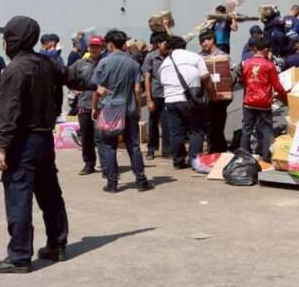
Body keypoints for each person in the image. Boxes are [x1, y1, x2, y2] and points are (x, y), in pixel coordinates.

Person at [0, 16, 72, 273]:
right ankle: (57, 245)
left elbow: (10, 111)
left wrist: (1, 146)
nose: (4, 43)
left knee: (19, 196)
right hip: (44, 138)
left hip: (22, 142)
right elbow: (71, 77)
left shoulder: (15, 69)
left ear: (14, 39)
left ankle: (19, 257)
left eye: (6, 38)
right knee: (49, 192)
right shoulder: (46, 63)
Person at [91, 30, 154, 194]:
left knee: (109, 146)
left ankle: (112, 183)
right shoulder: (133, 63)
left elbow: (97, 88)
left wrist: (94, 108)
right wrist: (138, 109)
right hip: (129, 109)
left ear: (110, 44)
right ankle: (141, 180)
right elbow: (138, 89)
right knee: (134, 146)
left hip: (110, 110)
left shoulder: (104, 62)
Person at [160, 36, 217, 170]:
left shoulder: (165, 62)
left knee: (176, 132)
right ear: (184, 46)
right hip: (191, 100)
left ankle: (178, 161)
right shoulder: (194, 57)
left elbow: (163, 82)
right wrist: (212, 94)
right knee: (196, 130)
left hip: (170, 101)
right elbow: (205, 77)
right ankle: (194, 161)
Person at [240, 38, 289, 162]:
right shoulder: (269, 65)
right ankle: (266, 156)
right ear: (266, 49)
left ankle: (243, 155)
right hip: (263, 102)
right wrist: (286, 97)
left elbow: (244, 81)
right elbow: (277, 85)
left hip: (249, 101)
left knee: (246, 129)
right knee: (266, 129)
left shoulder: (246, 64)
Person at [69, 36, 104, 175]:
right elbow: (68, 76)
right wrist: (73, 88)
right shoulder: (80, 63)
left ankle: (106, 164)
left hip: (103, 106)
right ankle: (89, 164)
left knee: (103, 137)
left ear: (102, 48)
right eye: (92, 46)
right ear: (88, 47)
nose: (94, 49)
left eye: (97, 46)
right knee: (86, 137)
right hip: (84, 104)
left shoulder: (106, 63)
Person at [199, 30, 230, 153]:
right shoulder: (199, 57)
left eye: (205, 41)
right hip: (206, 97)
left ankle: (220, 148)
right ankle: (212, 148)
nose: (203, 44)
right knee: (208, 124)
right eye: (201, 42)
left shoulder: (223, 56)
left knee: (220, 122)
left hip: (221, 97)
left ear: (212, 40)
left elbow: (228, 75)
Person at [141, 32, 171, 160]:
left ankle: (167, 150)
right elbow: (147, 79)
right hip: (156, 94)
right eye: (165, 43)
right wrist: (149, 99)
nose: (167, 46)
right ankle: (151, 149)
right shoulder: (150, 57)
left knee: (167, 123)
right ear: (158, 44)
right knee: (153, 122)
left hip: (169, 94)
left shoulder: (171, 56)